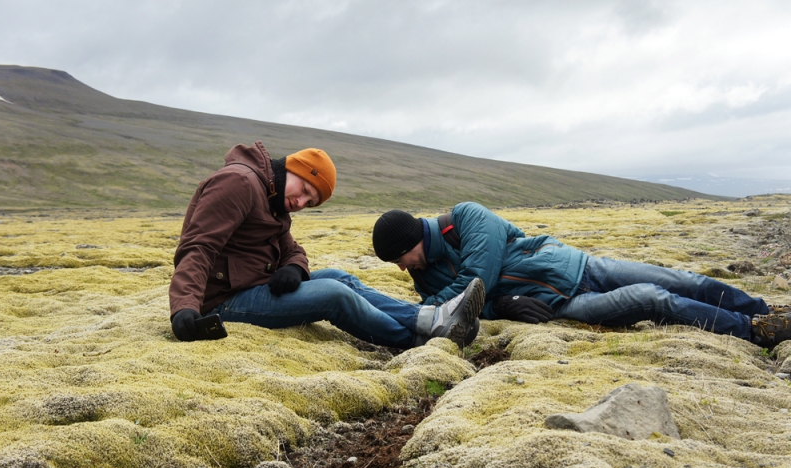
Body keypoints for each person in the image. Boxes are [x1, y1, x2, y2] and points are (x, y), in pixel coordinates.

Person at [169, 141, 485, 349]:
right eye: (305, 189)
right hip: (222, 303)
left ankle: (431, 319)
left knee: (339, 276)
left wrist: (294, 267)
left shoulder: (271, 197)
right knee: (334, 295)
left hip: (252, 287)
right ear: (292, 167)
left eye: (311, 201)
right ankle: (421, 340)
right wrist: (185, 308)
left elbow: (291, 249)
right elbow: (199, 247)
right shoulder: (239, 183)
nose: (301, 202)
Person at [371, 201, 791, 349]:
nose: (403, 268)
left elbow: (477, 278)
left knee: (681, 280)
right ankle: (752, 332)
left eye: (401, 257)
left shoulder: (465, 218)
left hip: (583, 266)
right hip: (565, 305)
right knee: (653, 300)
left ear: (414, 238)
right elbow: (453, 313)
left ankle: (763, 310)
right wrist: (502, 306)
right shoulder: (424, 279)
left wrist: (488, 298)